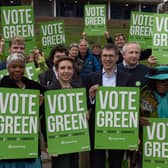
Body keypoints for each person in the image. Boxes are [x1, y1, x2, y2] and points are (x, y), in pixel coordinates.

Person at [86, 43, 133, 168]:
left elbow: (131, 105)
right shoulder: (91, 77)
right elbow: (85, 104)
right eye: (105, 56)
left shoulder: (127, 78)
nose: (108, 59)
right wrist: (91, 97)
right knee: (97, 163)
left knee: (116, 163)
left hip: (118, 129)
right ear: (100, 57)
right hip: (97, 129)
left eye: (111, 56)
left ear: (118, 57)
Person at [0, 53, 45, 168]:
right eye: (13, 67)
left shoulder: (34, 86)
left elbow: (45, 108)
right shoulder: (1, 86)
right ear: (8, 68)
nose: (17, 70)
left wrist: (40, 105)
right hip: (8, 146)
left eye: (21, 67)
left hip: (29, 145)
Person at [47, 56, 81, 168]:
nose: (66, 71)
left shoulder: (78, 89)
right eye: (62, 68)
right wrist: (49, 143)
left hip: (75, 140)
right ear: (57, 70)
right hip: (58, 143)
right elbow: (45, 121)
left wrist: (85, 114)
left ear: (73, 70)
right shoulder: (49, 91)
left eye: (69, 68)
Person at [139, 66, 168, 168]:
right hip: (149, 142)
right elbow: (133, 116)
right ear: (153, 82)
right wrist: (139, 121)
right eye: (160, 81)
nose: (163, 84)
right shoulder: (144, 96)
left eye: (166, 81)